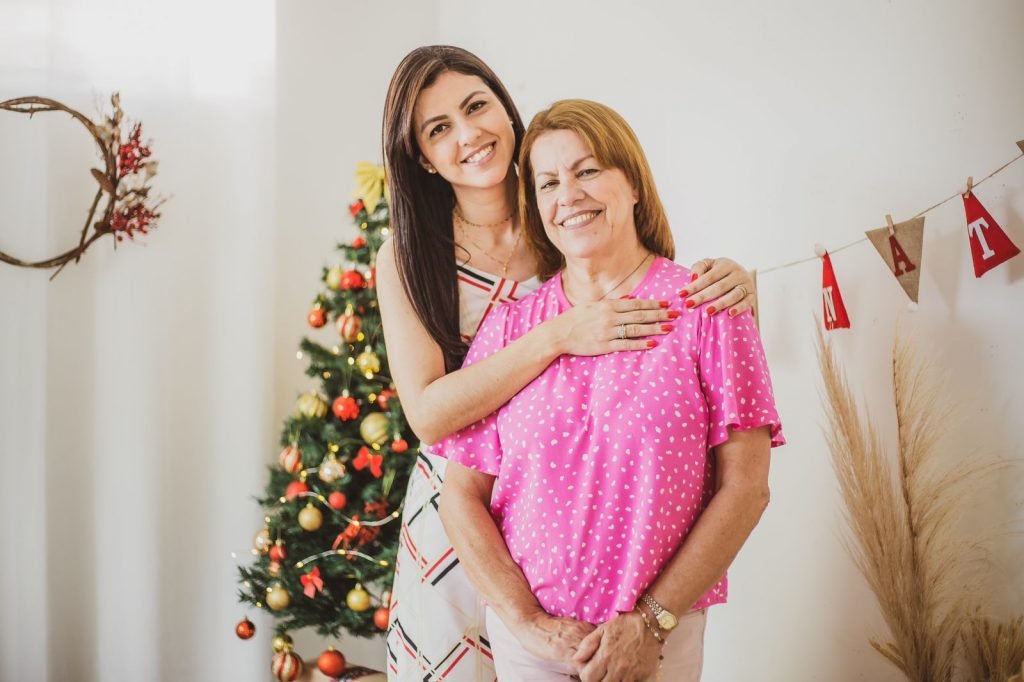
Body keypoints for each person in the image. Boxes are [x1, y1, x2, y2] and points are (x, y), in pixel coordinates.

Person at [376, 46, 758, 682]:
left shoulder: (560, 216)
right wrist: (557, 336)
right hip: (460, 511)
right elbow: (428, 415)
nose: (468, 134)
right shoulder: (411, 254)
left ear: (504, 106)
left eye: (476, 106)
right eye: (439, 129)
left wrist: (735, 284)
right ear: (420, 156)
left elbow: (648, 294)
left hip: (572, 523)